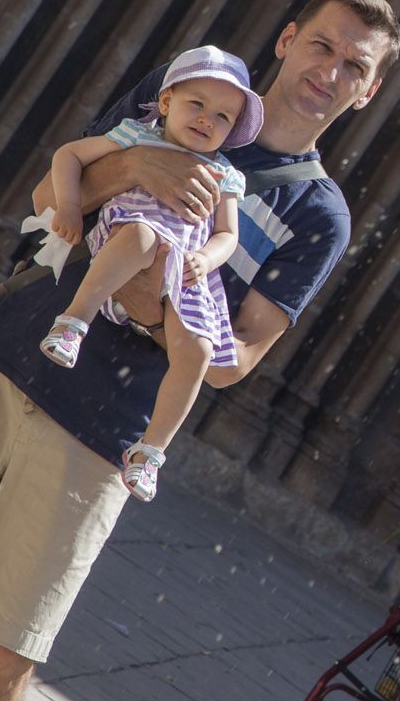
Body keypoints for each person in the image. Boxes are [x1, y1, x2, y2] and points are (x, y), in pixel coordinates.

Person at [0, 0, 400, 701]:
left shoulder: (320, 215)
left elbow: (236, 363)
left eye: (354, 67)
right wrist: (140, 168)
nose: (329, 72)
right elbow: (49, 199)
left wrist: (159, 311)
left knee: (2, 659)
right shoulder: (183, 87)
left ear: (368, 92)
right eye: (322, 46)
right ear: (287, 38)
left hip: (104, 432)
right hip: (6, 354)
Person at [37, 45, 264, 501]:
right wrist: (70, 208)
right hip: (128, 237)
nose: (206, 119)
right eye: (196, 104)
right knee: (143, 236)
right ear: (166, 102)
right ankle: (73, 324)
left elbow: (228, 235)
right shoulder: (137, 137)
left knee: (197, 352)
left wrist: (209, 258)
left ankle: (150, 452)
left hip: (183, 267)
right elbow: (68, 156)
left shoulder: (225, 176)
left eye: (221, 117)